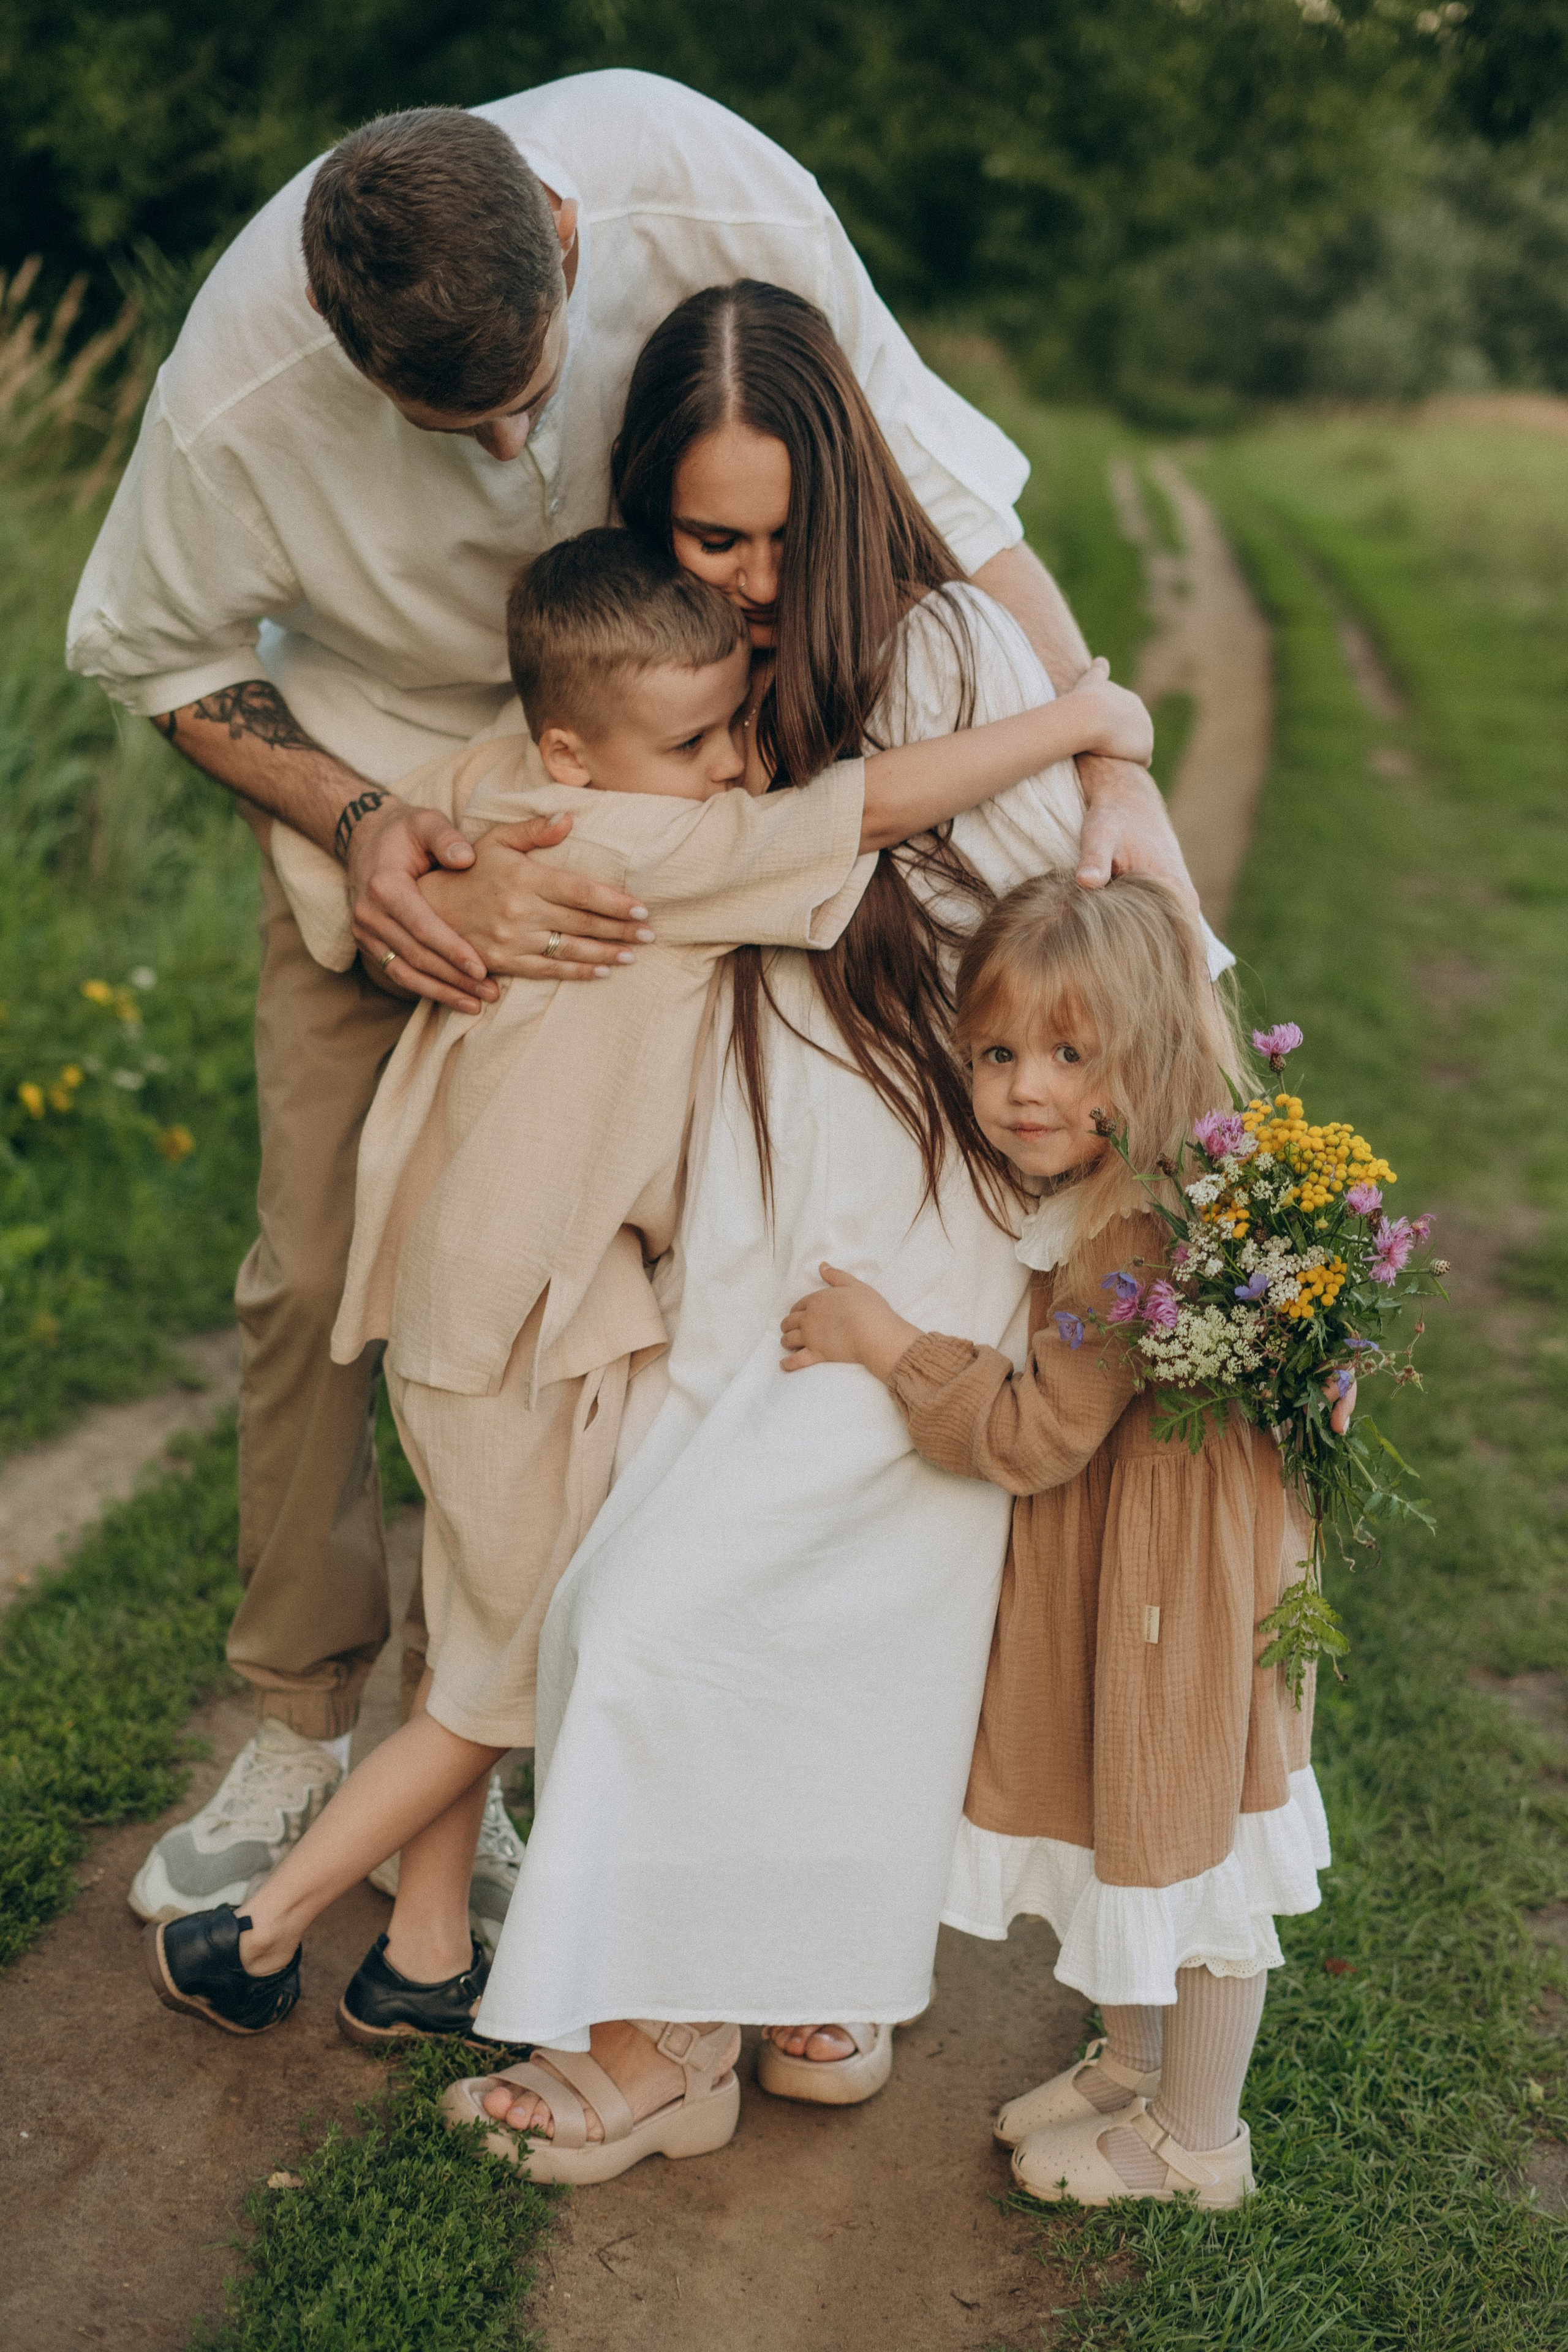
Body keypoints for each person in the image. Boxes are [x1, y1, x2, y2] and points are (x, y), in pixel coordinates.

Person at [68, 75, 1185, 1930]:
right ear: (348, 356)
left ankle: (524, 1723)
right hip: (410, 822)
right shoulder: (235, 398)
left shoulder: (715, 190)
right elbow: (162, 654)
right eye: (456, 427)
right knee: (315, 1274)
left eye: (529, 399)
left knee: (639, 1290)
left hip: (700, 773)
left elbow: (941, 481)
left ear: (571, 244)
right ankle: (295, 1720)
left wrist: (1107, 766)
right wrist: (377, 830)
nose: (512, 453)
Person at [143, 532, 1155, 2052]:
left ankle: (421, 1954)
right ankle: (257, 1926)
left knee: (489, 1629)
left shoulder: (495, 795)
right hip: (507, 1330)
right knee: (511, 1679)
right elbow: (870, 805)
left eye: (734, 723)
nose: (733, 764)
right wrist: (1087, 723)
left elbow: (363, 847)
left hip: (494, 1307)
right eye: (693, 742)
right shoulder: (637, 847)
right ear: (578, 748)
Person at [438, 282, 1224, 2174]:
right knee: (680, 1574)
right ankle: (692, 2014)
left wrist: (1231, 1191)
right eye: (715, 529)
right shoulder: (653, 653)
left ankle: (754, 1990)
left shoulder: (951, 646)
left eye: (792, 529)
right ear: (650, 508)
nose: (761, 570)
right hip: (743, 1174)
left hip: (925, 1198)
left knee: (819, 1595)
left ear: (856, 491)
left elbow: (1114, 929)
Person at [777, 870, 1336, 2210]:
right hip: (1167, 1562)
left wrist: (892, 1348)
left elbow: (1036, 1437)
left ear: (1142, 1054)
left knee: (1189, 1839)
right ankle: (1129, 2065)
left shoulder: (1126, 1234)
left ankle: (1197, 2138)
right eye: (997, 1053)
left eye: (1070, 1056)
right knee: (1135, 1812)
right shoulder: (1180, 1179)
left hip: (1172, 1587)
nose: (1025, 1088)